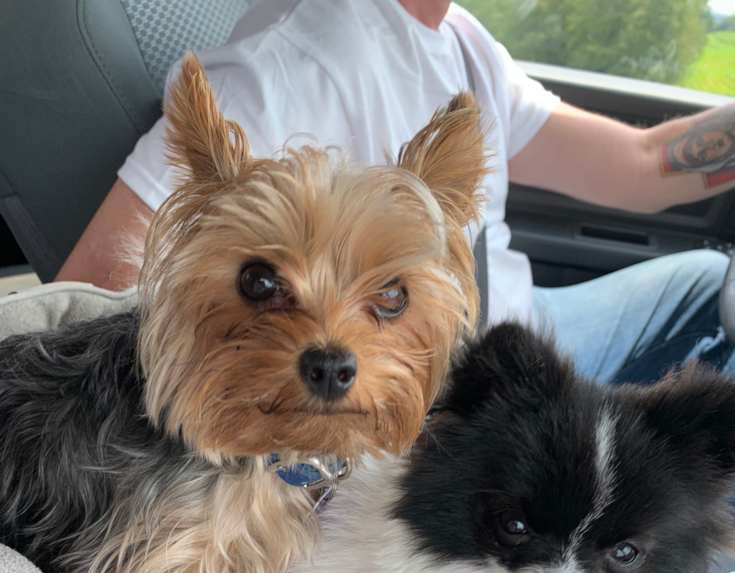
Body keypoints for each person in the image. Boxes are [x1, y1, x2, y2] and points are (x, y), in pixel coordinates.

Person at [56, 0, 735, 383]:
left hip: (521, 325)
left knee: (710, 284)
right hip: (458, 382)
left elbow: (644, 165)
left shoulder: (460, 40)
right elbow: (93, 295)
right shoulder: (289, 64)